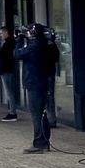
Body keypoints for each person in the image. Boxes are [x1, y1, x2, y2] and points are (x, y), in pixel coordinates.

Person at [16, 22, 56, 153]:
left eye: (28, 32)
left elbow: (16, 54)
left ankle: (39, 143)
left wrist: (19, 41)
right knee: (42, 113)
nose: (27, 33)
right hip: (43, 82)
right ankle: (44, 141)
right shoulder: (46, 45)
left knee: (36, 115)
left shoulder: (34, 46)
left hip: (34, 83)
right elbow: (55, 57)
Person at [0, 26, 20, 121]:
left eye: (2, 33)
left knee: (9, 92)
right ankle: (12, 111)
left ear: (6, 33)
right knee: (9, 91)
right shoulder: (8, 43)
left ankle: (12, 112)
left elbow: (3, 54)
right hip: (7, 69)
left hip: (7, 70)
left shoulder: (9, 43)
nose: (1, 35)